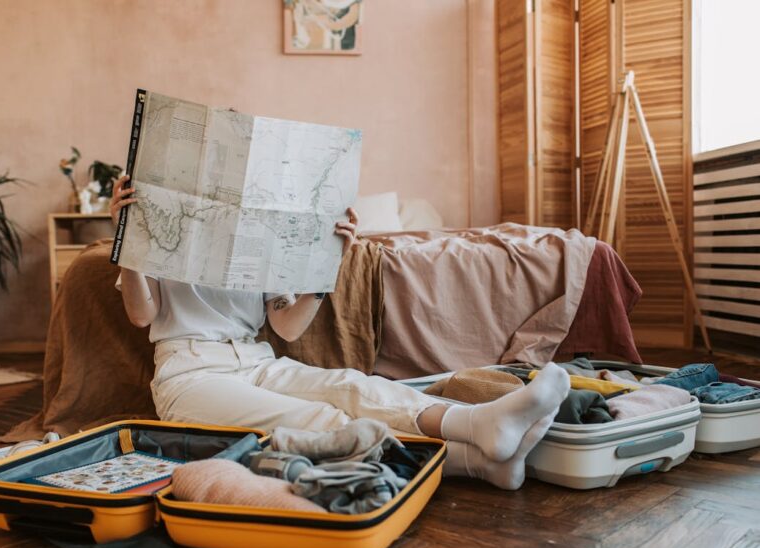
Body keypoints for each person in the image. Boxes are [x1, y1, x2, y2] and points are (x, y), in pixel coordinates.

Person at [111, 175, 571, 489]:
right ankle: (473, 461)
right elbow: (141, 315)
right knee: (318, 421)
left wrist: (326, 264)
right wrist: (127, 242)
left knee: (351, 386)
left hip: (256, 361)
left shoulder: (259, 234)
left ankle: (479, 425)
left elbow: (285, 325)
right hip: (190, 374)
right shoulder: (159, 229)